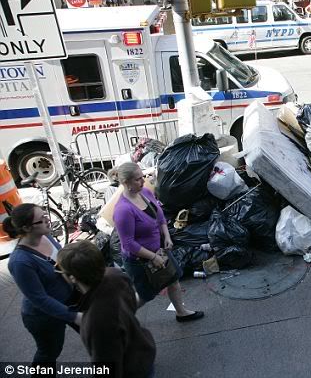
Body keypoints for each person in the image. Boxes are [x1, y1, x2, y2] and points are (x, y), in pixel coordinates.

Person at [112, 162, 204, 322]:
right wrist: (153, 257)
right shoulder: (123, 210)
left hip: (159, 251)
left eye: (142, 177)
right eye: (137, 179)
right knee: (145, 295)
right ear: (126, 183)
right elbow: (129, 244)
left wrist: (167, 236)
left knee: (173, 279)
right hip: (140, 261)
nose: (142, 182)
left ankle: (181, 312)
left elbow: (160, 216)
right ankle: (120, 318)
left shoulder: (145, 193)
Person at [56, 240, 156, 378]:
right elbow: (131, 304)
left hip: (131, 370)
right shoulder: (116, 275)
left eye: (59, 268)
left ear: (72, 277)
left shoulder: (96, 321)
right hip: (142, 350)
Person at [4, 204, 82, 373]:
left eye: (46, 215)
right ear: (26, 228)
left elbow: (62, 260)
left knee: (98, 335)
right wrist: (74, 316)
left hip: (70, 300)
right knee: (49, 353)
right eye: (42, 219)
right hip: (43, 317)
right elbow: (39, 299)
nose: (48, 220)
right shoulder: (20, 262)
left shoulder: (45, 235)